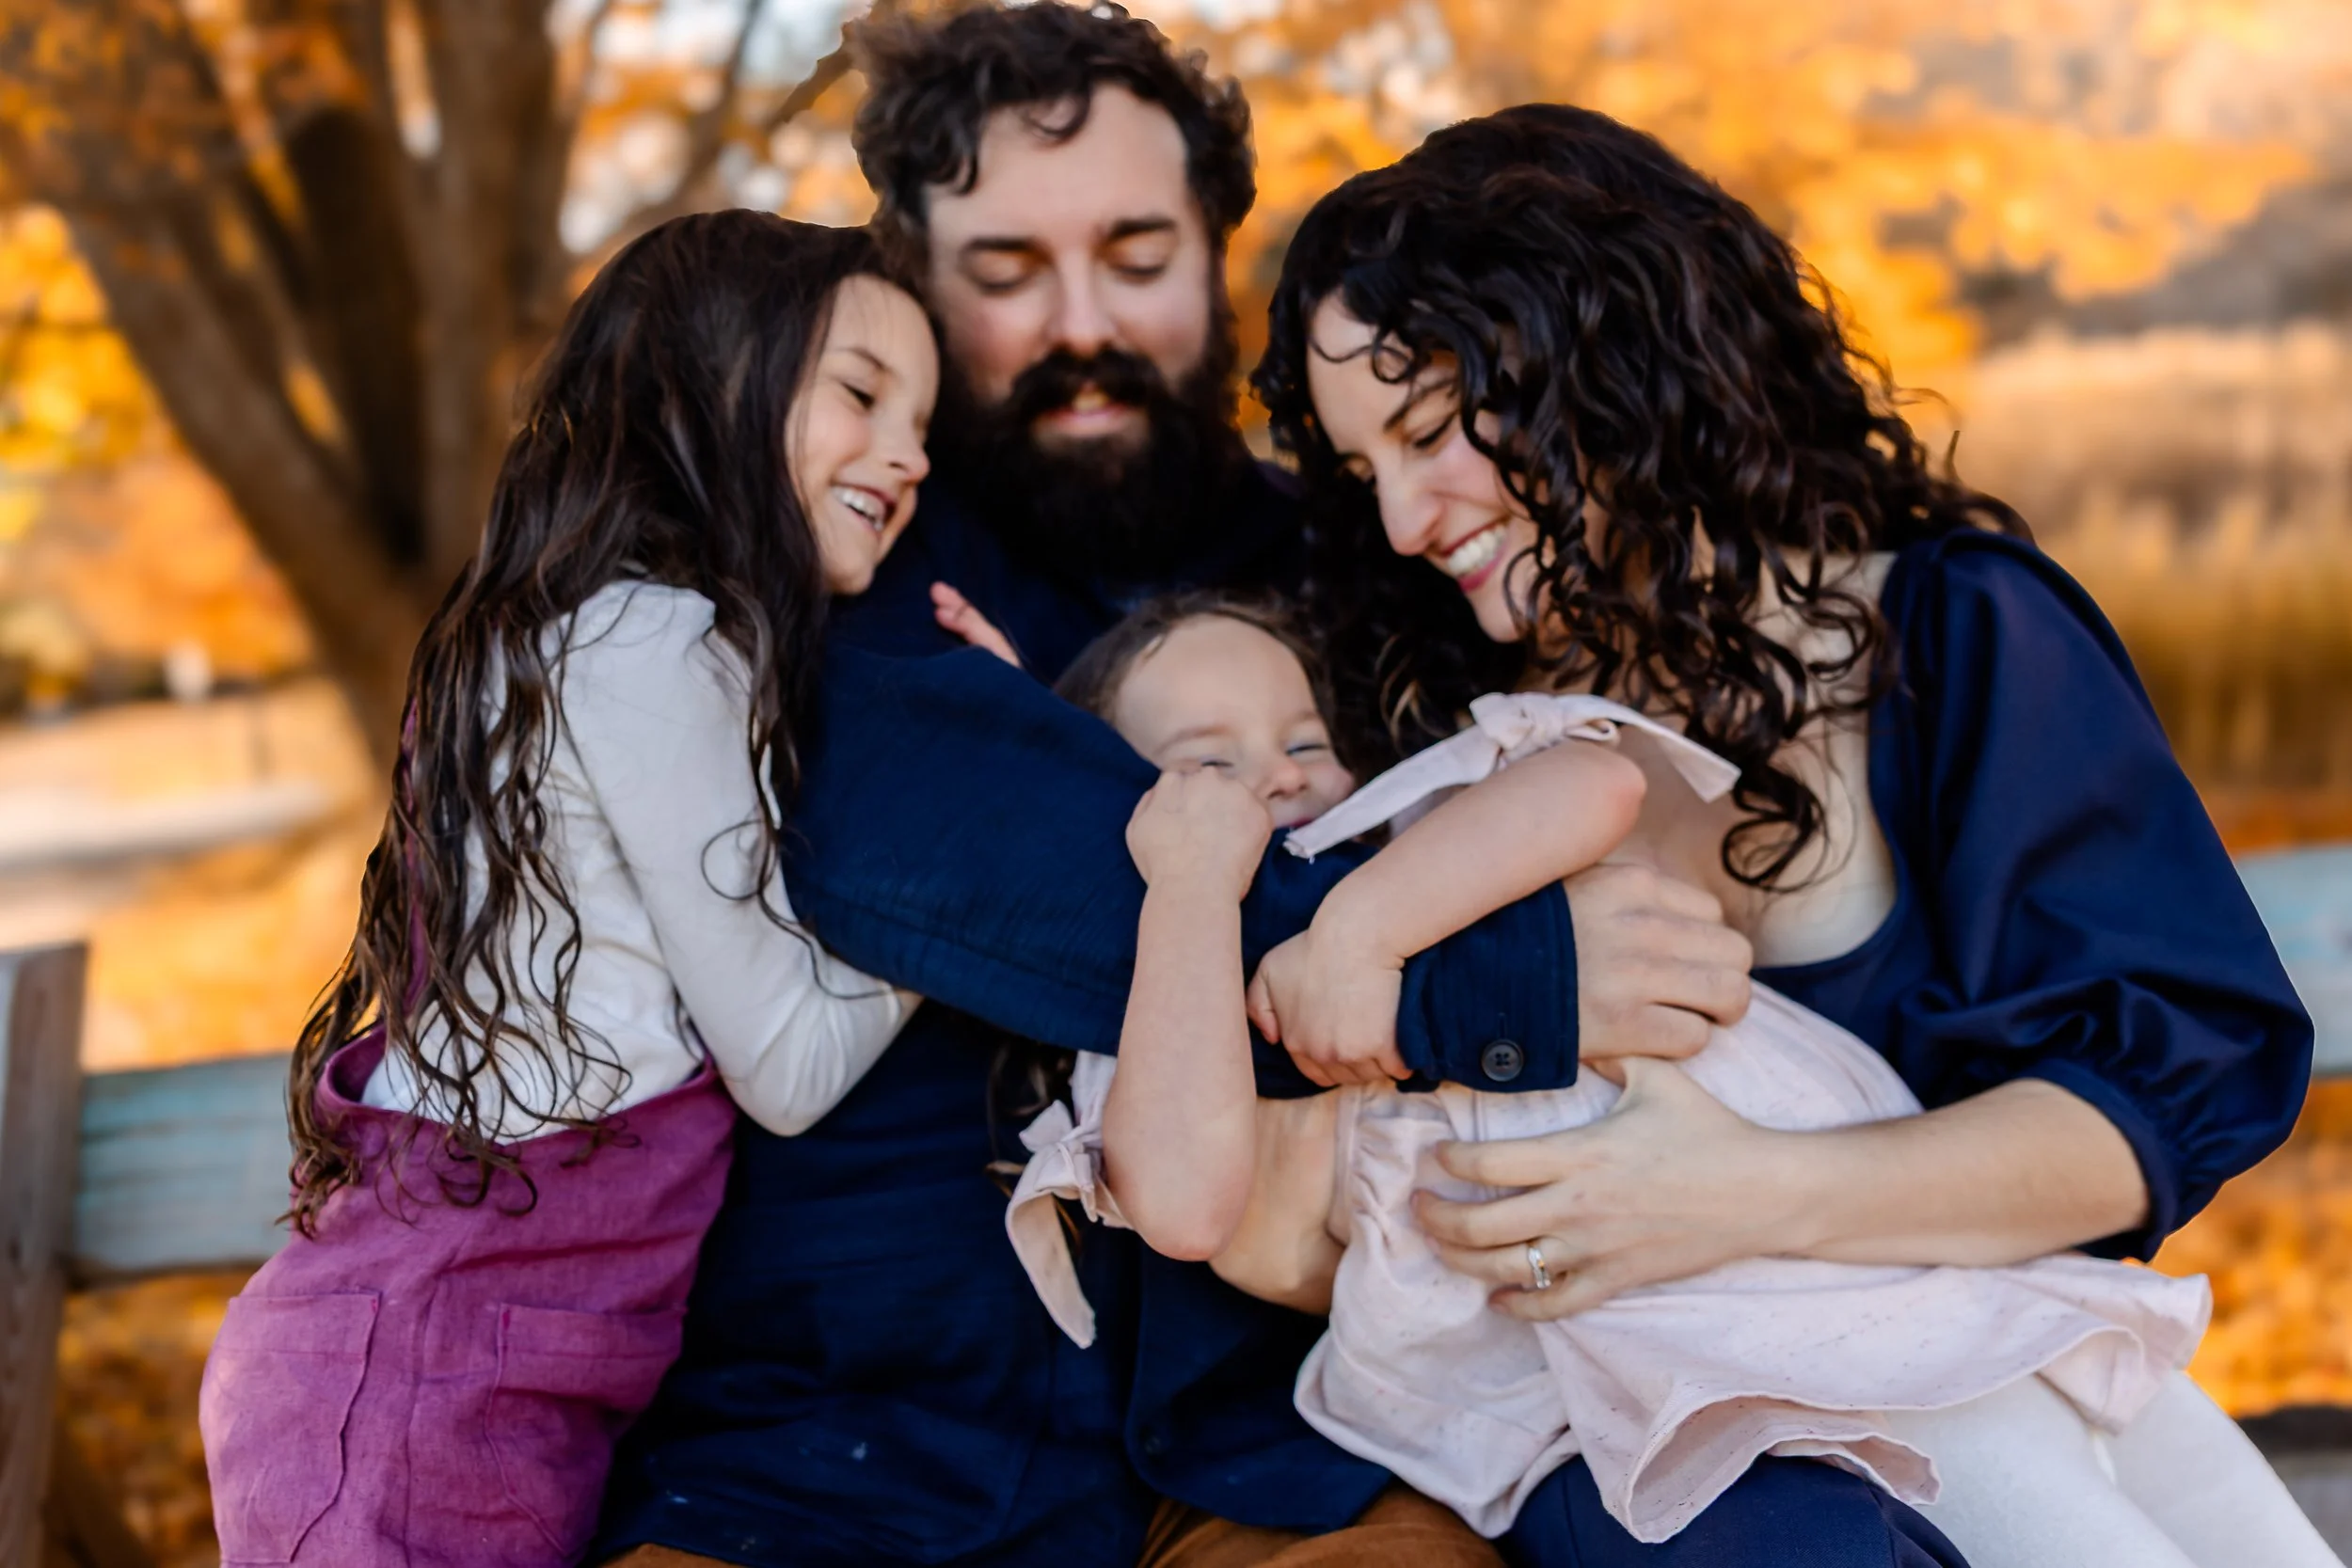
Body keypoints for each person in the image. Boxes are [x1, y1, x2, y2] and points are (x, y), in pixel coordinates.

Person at [595, 7, 1964, 1567]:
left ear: (1216, 250)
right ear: (909, 278)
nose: (1079, 321)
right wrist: (1478, 970)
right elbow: (964, 854)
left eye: (1136, 252)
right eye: (1004, 273)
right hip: (849, 1441)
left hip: (1283, 1436)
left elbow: (1556, 782)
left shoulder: (1361, 563)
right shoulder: (843, 561)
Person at [1245, 102, 2319, 1566]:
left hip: (2001, 1360)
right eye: (1368, 471)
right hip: (1700, 1460)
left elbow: (2142, 1119)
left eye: (1433, 432)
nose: (1407, 522)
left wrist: (1737, 1193)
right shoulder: (1469, 748)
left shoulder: (1948, 632)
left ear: (1604, 357)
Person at [1001, 589, 2332, 1567]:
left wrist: (1369, 925)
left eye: (1302, 733)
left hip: (1828, 1199)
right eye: (1208, 762)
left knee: (2191, 1480)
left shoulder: (1397, 834)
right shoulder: (1166, 1005)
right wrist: (1186, 889)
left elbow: (1590, 782)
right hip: (1671, 1326)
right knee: (2032, 1511)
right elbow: (1179, 1197)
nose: (1279, 775)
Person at [198, 214, 937, 1568]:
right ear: (712, 386)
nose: (911, 454)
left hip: (467, 1361)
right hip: (416, 1385)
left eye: (926, 418)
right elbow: (787, 1058)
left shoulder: (589, 636)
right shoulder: (649, 640)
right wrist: (961, 893)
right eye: (862, 393)